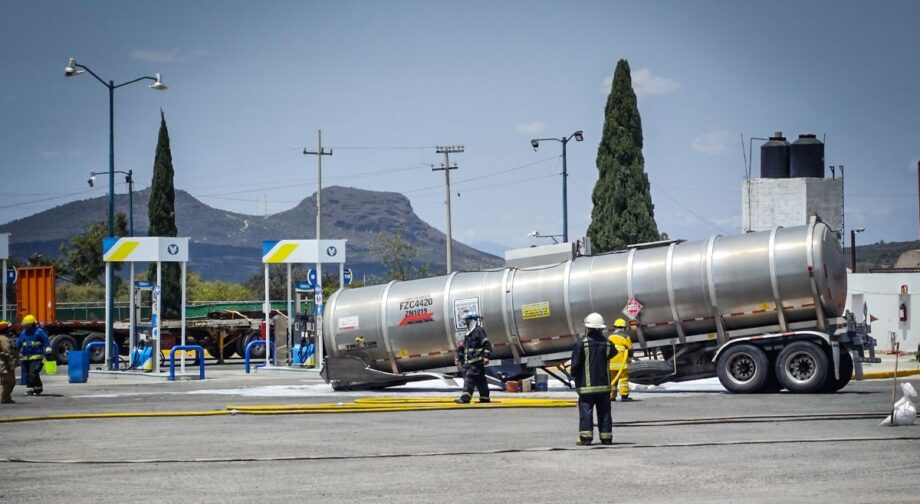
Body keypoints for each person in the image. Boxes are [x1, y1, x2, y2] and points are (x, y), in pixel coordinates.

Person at [571, 312, 617, 445]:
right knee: (605, 412)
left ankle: (586, 438)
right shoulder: (608, 344)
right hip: (604, 386)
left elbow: (575, 364)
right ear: (601, 328)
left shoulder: (582, 343)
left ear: (588, 327)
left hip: (587, 387)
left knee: (586, 411)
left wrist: (574, 376)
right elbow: (613, 353)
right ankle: (606, 437)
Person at [454, 311, 493, 404]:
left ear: (472, 320)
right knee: (480, 380)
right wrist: (458, 357)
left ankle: (465, 398)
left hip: (476, 362)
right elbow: (464, 348)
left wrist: (486, 357)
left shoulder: (479, 331)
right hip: (470, 363)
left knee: (469, 377)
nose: (465, 322)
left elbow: (487, 345)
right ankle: (485, 397)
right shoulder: (469, 334)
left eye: (467, 320)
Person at [15, 315, 51, 396]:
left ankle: (38, 388)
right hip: (26, 357)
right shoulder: (23, 332)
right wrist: (15, 350)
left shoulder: (39, 331)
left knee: (33, 373)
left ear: (32, 324)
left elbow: (46, 340)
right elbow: (19, 343)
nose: (25, 327)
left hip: (36, 357)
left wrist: (48, 350)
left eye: (27, 325)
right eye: (25, 325)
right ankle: (30, 389)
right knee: (27, 374)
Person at [608, 318, 633, 401]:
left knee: (613, 380)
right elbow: (630, 348)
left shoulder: (610, 337)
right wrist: (630, 357)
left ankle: (611, 396)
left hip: (611, 364)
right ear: (623, 328)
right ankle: (624, 395)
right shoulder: (625, 337)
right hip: (622, 364)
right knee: (623, 380)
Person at [0, 320, 19, 404]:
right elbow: (7, 352)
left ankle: (6, 398)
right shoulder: (4, 339)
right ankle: (3, 398)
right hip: (4, 364)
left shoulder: (4, 338)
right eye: (9, 328)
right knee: (8, 382)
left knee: (8, 381)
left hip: (5, 363)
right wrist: (12, 363)